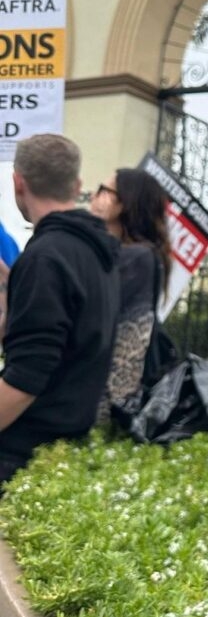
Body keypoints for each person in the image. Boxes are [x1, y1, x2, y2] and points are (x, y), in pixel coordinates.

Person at [0, 134, 120, 486]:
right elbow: (72, 341)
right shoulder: (99, 252)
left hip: (22, 454)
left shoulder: (46, 257)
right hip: (68, 438)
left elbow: (27, 377)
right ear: (77, 184)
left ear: (18, 183)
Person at [89, 168, 172, 422]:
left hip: (107, 398)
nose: (94, 195)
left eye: (104, 190)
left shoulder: (136, 258)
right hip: (106, 394)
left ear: (124, 204)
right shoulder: (138, 255)